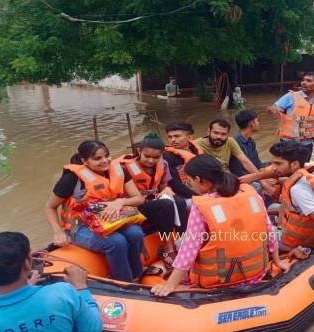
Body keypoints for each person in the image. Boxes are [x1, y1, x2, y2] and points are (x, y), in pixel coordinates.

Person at [150, 155, 286, 297]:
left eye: (190, 181)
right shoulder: (252, 195)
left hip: (218, 281)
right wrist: (277, 261)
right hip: (256, 273)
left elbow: (189, 248)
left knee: (180, 241)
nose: (191, 185)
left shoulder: (202, 206)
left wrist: (171, 283)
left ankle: (167, 267)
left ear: (198, 179)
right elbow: (269, 231)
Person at [45, 140, 145, 282]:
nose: (105, 161)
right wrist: (58, 232)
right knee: (116, 242)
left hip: (110, 220)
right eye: (97, 158)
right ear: (84, 161)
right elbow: (49, 207)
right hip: (79, 227)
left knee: (136, 233)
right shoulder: (72, 179)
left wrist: (121, 201)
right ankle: (124, 283)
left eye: (107, 156)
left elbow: (138, 198)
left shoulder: (119, 170)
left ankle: (136, 274)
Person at [112, 134, 190, 257]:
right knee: (165, 205)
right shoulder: (125, 168)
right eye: (147, 156)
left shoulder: (163, 164)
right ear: (139, 151)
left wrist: (167, 189)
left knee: (179, 202)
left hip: (154, 201)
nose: (150, 161)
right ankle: (168, 248)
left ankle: (182, 241)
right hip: (135, 206)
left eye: (155, 157)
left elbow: (163, 185)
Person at [267, 72, 314, 159]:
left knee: (303, 167)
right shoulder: (291, 96)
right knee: (286, 168)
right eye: (303, 80)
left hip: (307, 143)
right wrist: (272, 110)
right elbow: (274, 108)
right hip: (288, 143)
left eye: (308, 81)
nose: (304, 83)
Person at [163, 122, 202, 199]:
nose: (173, 140)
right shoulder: (167, 156)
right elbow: (175, 184)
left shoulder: (197, 150)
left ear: (189, 137)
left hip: (201, 188)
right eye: (170, 137)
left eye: (177, 136)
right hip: (181, 194)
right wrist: (198, 197)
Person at [229, 110, 264, 176]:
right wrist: (262, 179)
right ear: (251, 123)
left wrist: (264, 173)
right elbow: (238, 170)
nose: (259, 123)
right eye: (257, 120)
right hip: (243, 177)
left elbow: (256, 161)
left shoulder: (251, 141)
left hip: (254, 174)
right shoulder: (235, 142)